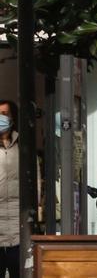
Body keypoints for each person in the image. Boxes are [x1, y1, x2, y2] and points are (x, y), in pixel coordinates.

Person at [1, 99, 19, 278]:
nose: (0, 118)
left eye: (4, 114)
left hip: (16, 228)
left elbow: (33, 186)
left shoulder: (22, 147)